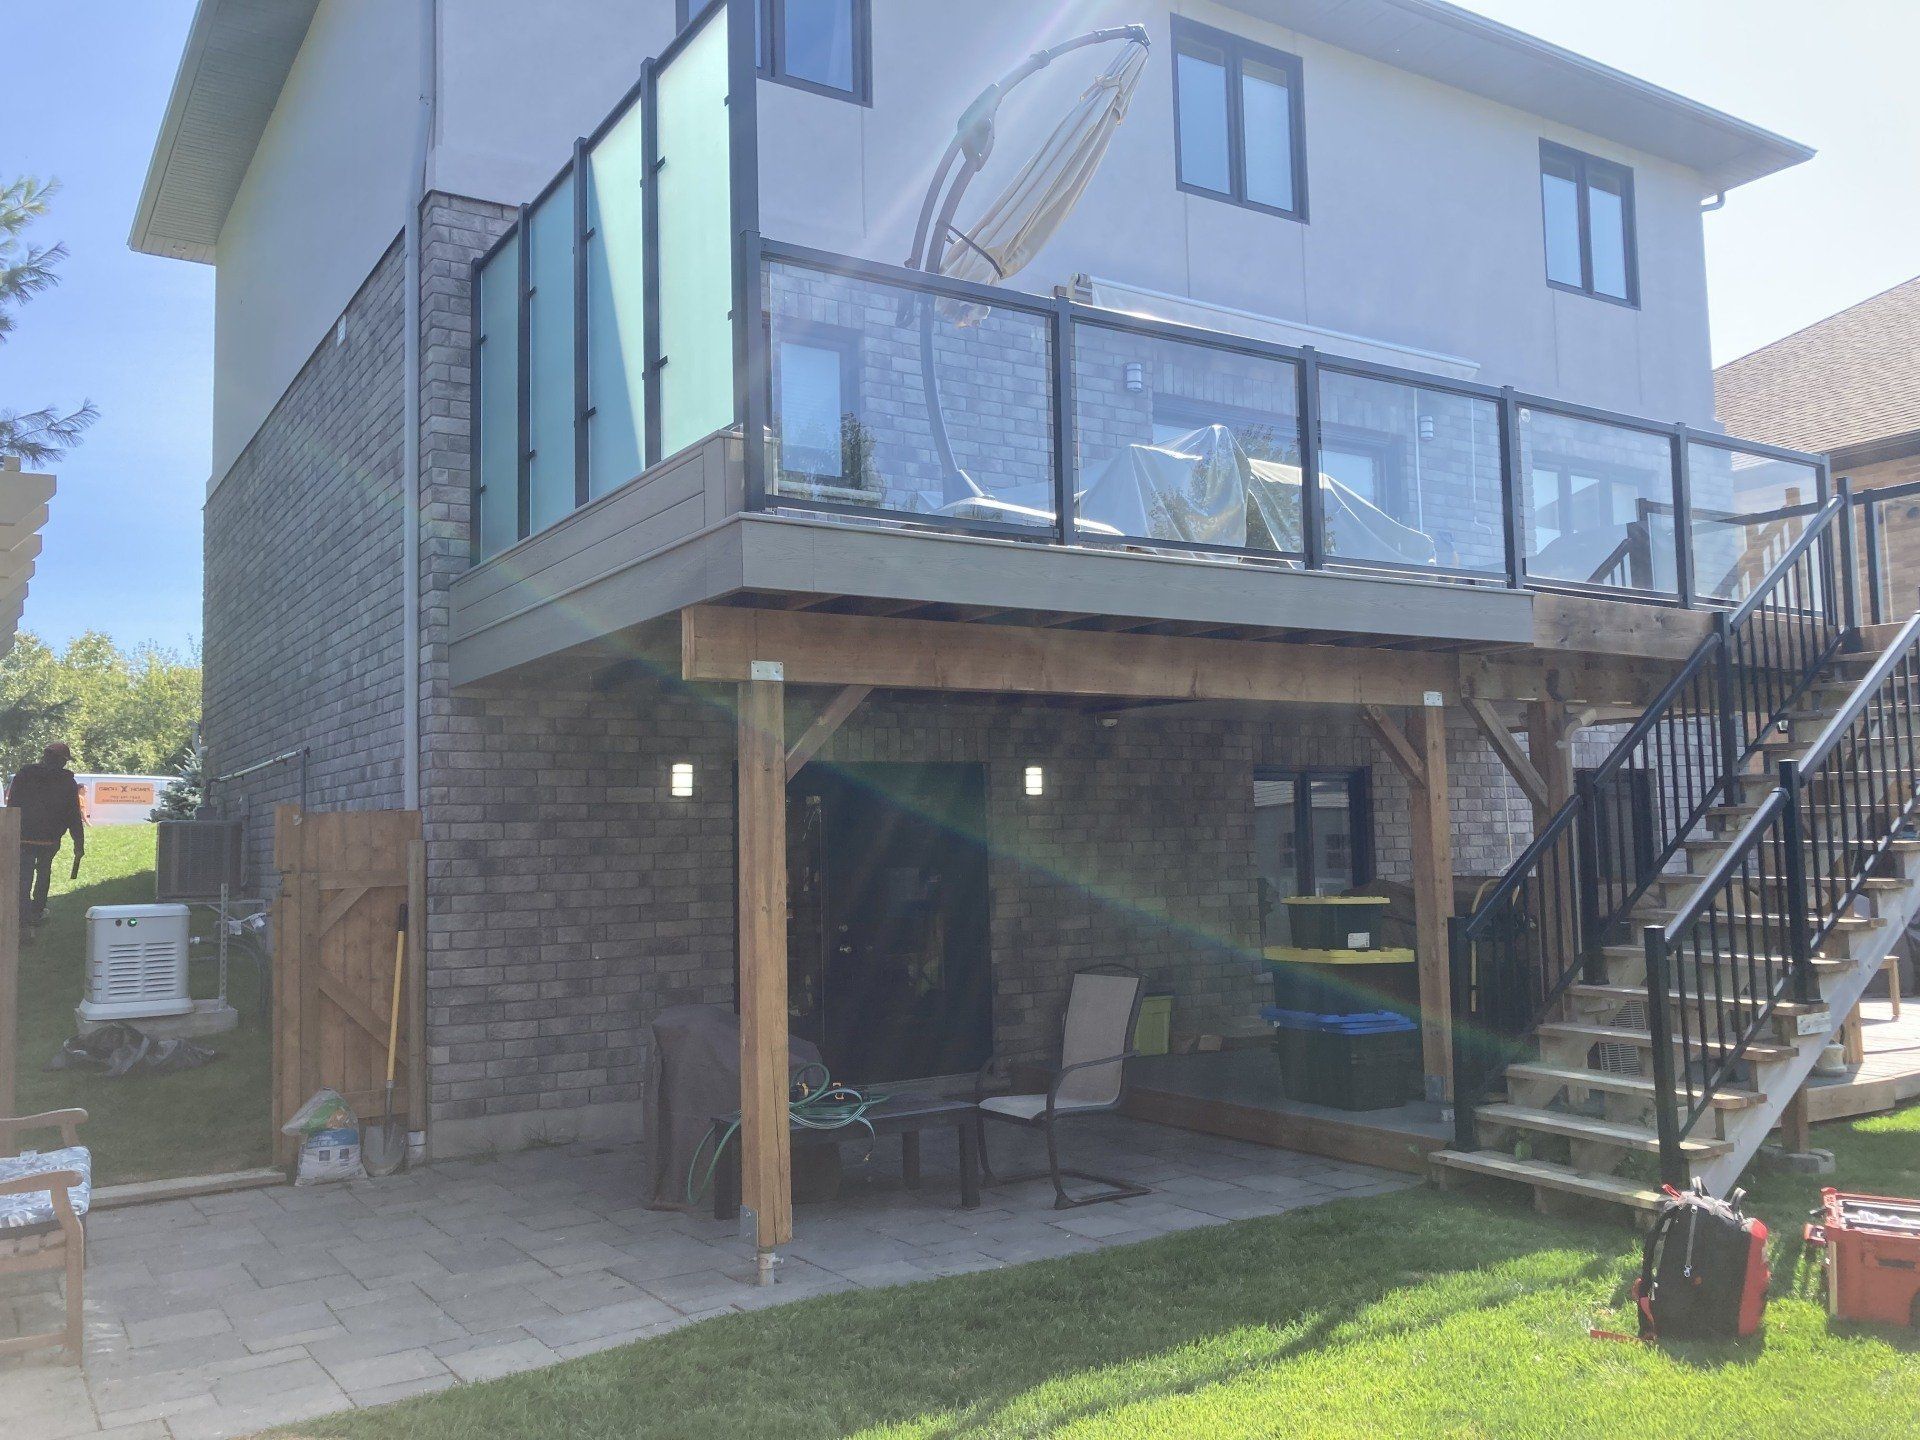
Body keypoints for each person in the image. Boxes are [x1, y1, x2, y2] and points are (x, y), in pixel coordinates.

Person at [6, 742, 85, 937]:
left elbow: (12, 804)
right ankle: (37, 911)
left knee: (23, 879)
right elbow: (73, 815)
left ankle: (22, 920)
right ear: (61, 761)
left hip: (22, 837)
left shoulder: (24, 775)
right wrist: (78, 843)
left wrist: (10, 832)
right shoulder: (67, 782)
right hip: (49, 840)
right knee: (43, 873)